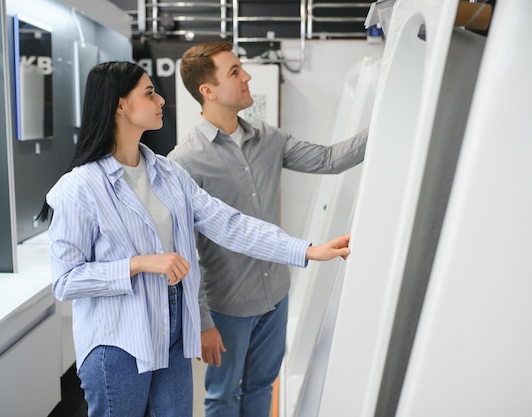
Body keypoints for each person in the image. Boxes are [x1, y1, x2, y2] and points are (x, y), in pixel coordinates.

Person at [37, 61, 351, 417]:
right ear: (120, 105)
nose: (161, 102)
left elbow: (230, 224)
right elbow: (65, 281)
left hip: (172, 331)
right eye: (150, 93)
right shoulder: (80, 187)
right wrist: (138, 264)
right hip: (117, 342)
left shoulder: (168, 172)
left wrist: (307, 250)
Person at [167, 40, 368, 417]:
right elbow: (183, 249)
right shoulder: (184, 161)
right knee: (222, 395)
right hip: (227, 305)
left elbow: (330, 159)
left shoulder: (269, 138)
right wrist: (203, 322)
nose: (246, 77)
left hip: (276, 293)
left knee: (261, 387)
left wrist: (391, 118)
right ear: (207, 91)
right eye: (234, 72)